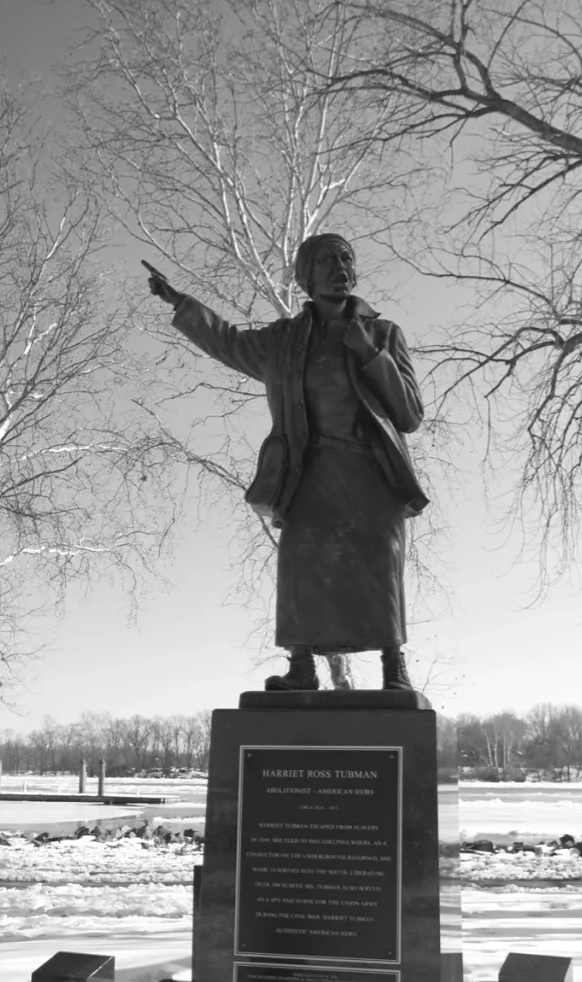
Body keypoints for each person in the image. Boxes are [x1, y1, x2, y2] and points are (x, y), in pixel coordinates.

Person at [146, 234, 429, 691]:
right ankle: (302, 667)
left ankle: (393, 666)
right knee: (300, 567)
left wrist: (371, 355)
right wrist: (181, 304)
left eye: (346, 258)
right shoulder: (284, 340)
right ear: (306, 275)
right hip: (308, 471)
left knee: (380, 564)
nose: (340, 266)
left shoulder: (383, 334)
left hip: (371, 473)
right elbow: (228, 342)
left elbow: (410, 414)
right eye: (327, 259)